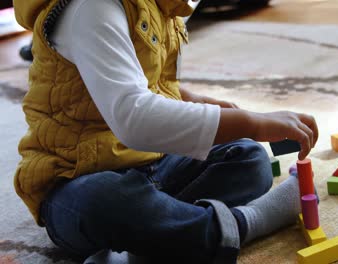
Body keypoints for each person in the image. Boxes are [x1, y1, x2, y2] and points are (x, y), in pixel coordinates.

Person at [13, 0, 319, 263]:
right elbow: (134, 118)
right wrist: (254, 122)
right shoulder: (90, 8)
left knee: (247, 157)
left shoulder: (156, 7)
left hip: (153, 164)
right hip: (76, 178)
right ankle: (244, 223)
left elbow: (145, 77)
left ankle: (152, 238)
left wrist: (199, 102)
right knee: (106, 203)